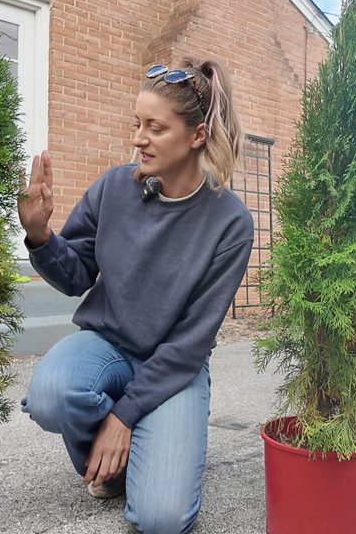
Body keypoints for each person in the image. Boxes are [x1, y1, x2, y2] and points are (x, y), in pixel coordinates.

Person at [18, 57, 254, 534]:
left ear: (197, 135)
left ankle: (144, 441)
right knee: (50, 393)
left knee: (161, 520)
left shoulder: (230, 224)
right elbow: (76, 276)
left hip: (173, 366)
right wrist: (40, 234)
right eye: (137, 124)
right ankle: (116, 469)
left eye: (155, 128)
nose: (138, 139)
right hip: (106, 346)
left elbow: (190, 344)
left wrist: (123, 416)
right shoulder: (113, 188)